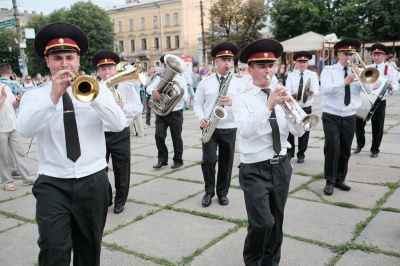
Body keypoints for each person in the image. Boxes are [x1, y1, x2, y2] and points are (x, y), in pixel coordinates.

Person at [16, 22, 126, 265]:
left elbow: (118, 124)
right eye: (57, 58)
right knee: (53, 248)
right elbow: (25, 130)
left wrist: (95, 96)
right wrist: (53, 95)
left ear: (78, 60)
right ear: (47, 61)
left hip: (92, 180)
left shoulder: (98, 89)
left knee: (89, 248)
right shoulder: (35, 95)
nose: (64, 64)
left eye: (69, 57)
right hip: (53, 183)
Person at [232, 38, 304, 265]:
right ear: (249, 69)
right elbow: (245, 131)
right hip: (255, 169)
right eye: (262, 66)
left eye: (271, 66)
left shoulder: (282, 93)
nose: (268, 71)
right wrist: (268, 106)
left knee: (277, 223)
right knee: (262, 223)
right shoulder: (241, 99)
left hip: (281, 166)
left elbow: (299, 132)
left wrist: (291, 109)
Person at [320, 38, 372, 196]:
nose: (349, 57)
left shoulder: (357, 70)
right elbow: (325, 90)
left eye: (352, 54)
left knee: (345, 150)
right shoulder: (329, 70)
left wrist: (362, 75)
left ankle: (340, 179)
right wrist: (345, 81)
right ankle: (329, 181)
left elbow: (368, 90)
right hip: (331, 114)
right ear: (338, 54)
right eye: (346, 54)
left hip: (350, 115)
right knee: (332, 148)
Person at [92, 50, 143, 214]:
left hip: (121, 132)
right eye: (103, 69)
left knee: (122, 169)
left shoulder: (126, 86)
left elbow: (138, 107)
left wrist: (124, 107)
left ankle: (120, 200)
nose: (107, 73)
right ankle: (106, 196)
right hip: (100, 133)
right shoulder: (94, 88)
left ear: (115, 69)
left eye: (110, 68)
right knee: (100, 169)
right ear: (98, 71)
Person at [193, 42, 242, 207]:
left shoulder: (238, 82)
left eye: (229, 59)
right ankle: (208, 191)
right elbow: (197, 103)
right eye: (223, 59)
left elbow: (245, 104)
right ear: (216, 62)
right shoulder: (205, 82)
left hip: (229, 127)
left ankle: (222, 193)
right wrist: (201, 117)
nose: (227, 63)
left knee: (226, 163)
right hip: (209, 127)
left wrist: (233, 102)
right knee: (208, 160)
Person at [354, 44, 399, 157]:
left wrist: (391, 88)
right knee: (358, 123)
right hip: (366, 100)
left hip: (380, 101)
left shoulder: (390, 70)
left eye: (378, 55)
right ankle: (360, 143)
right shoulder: (368, 67)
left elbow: (395, 85)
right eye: (374, 55)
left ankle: (375, 149)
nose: (376, 57)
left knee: (377, 126)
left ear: (384, 56)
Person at [146, 55, 188, 169]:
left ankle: (178, 160)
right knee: (159, 136)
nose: (166, 69)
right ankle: (162, 160)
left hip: (175, 112)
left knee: (176, 137)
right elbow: (148, 88)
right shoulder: (161, 78)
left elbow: (185, 97)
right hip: (161, 112)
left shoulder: (180, 79)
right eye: (165, 66)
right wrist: (154, 92)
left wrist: (172, 92)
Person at [0, 84, 36, 191]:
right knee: (3, 157)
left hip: (13, 126)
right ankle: (7, 182)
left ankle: (26, 178)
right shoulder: (4, 91)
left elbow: (13, 105)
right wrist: (3, 97)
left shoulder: (5, 86)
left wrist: (17, 100)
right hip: (1, 128)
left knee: (20, 152)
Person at [286, 51, 319, 163]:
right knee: (290, 129)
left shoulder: (313, 75)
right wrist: (293, 94)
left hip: (306, 106)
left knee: (305, 130)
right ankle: (290, 152)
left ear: (307, 63)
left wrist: (311, 92)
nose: (302, 64)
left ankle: (301, 153)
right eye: (300, 62)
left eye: (304, 62)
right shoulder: (291, 75)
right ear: (296, 63)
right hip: (294, 106)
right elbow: (287, 91)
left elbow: (317, 91)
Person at [0, 63, 25, 177]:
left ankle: (15, 170)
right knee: (9, 151)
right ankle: (11, 175)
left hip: (10, 119)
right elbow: (24, 92)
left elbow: (14, 103)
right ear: (10, 72)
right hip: (8, 120)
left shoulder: (5, 86)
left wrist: (17, 100)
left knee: (10, 150)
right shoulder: (12, 84)